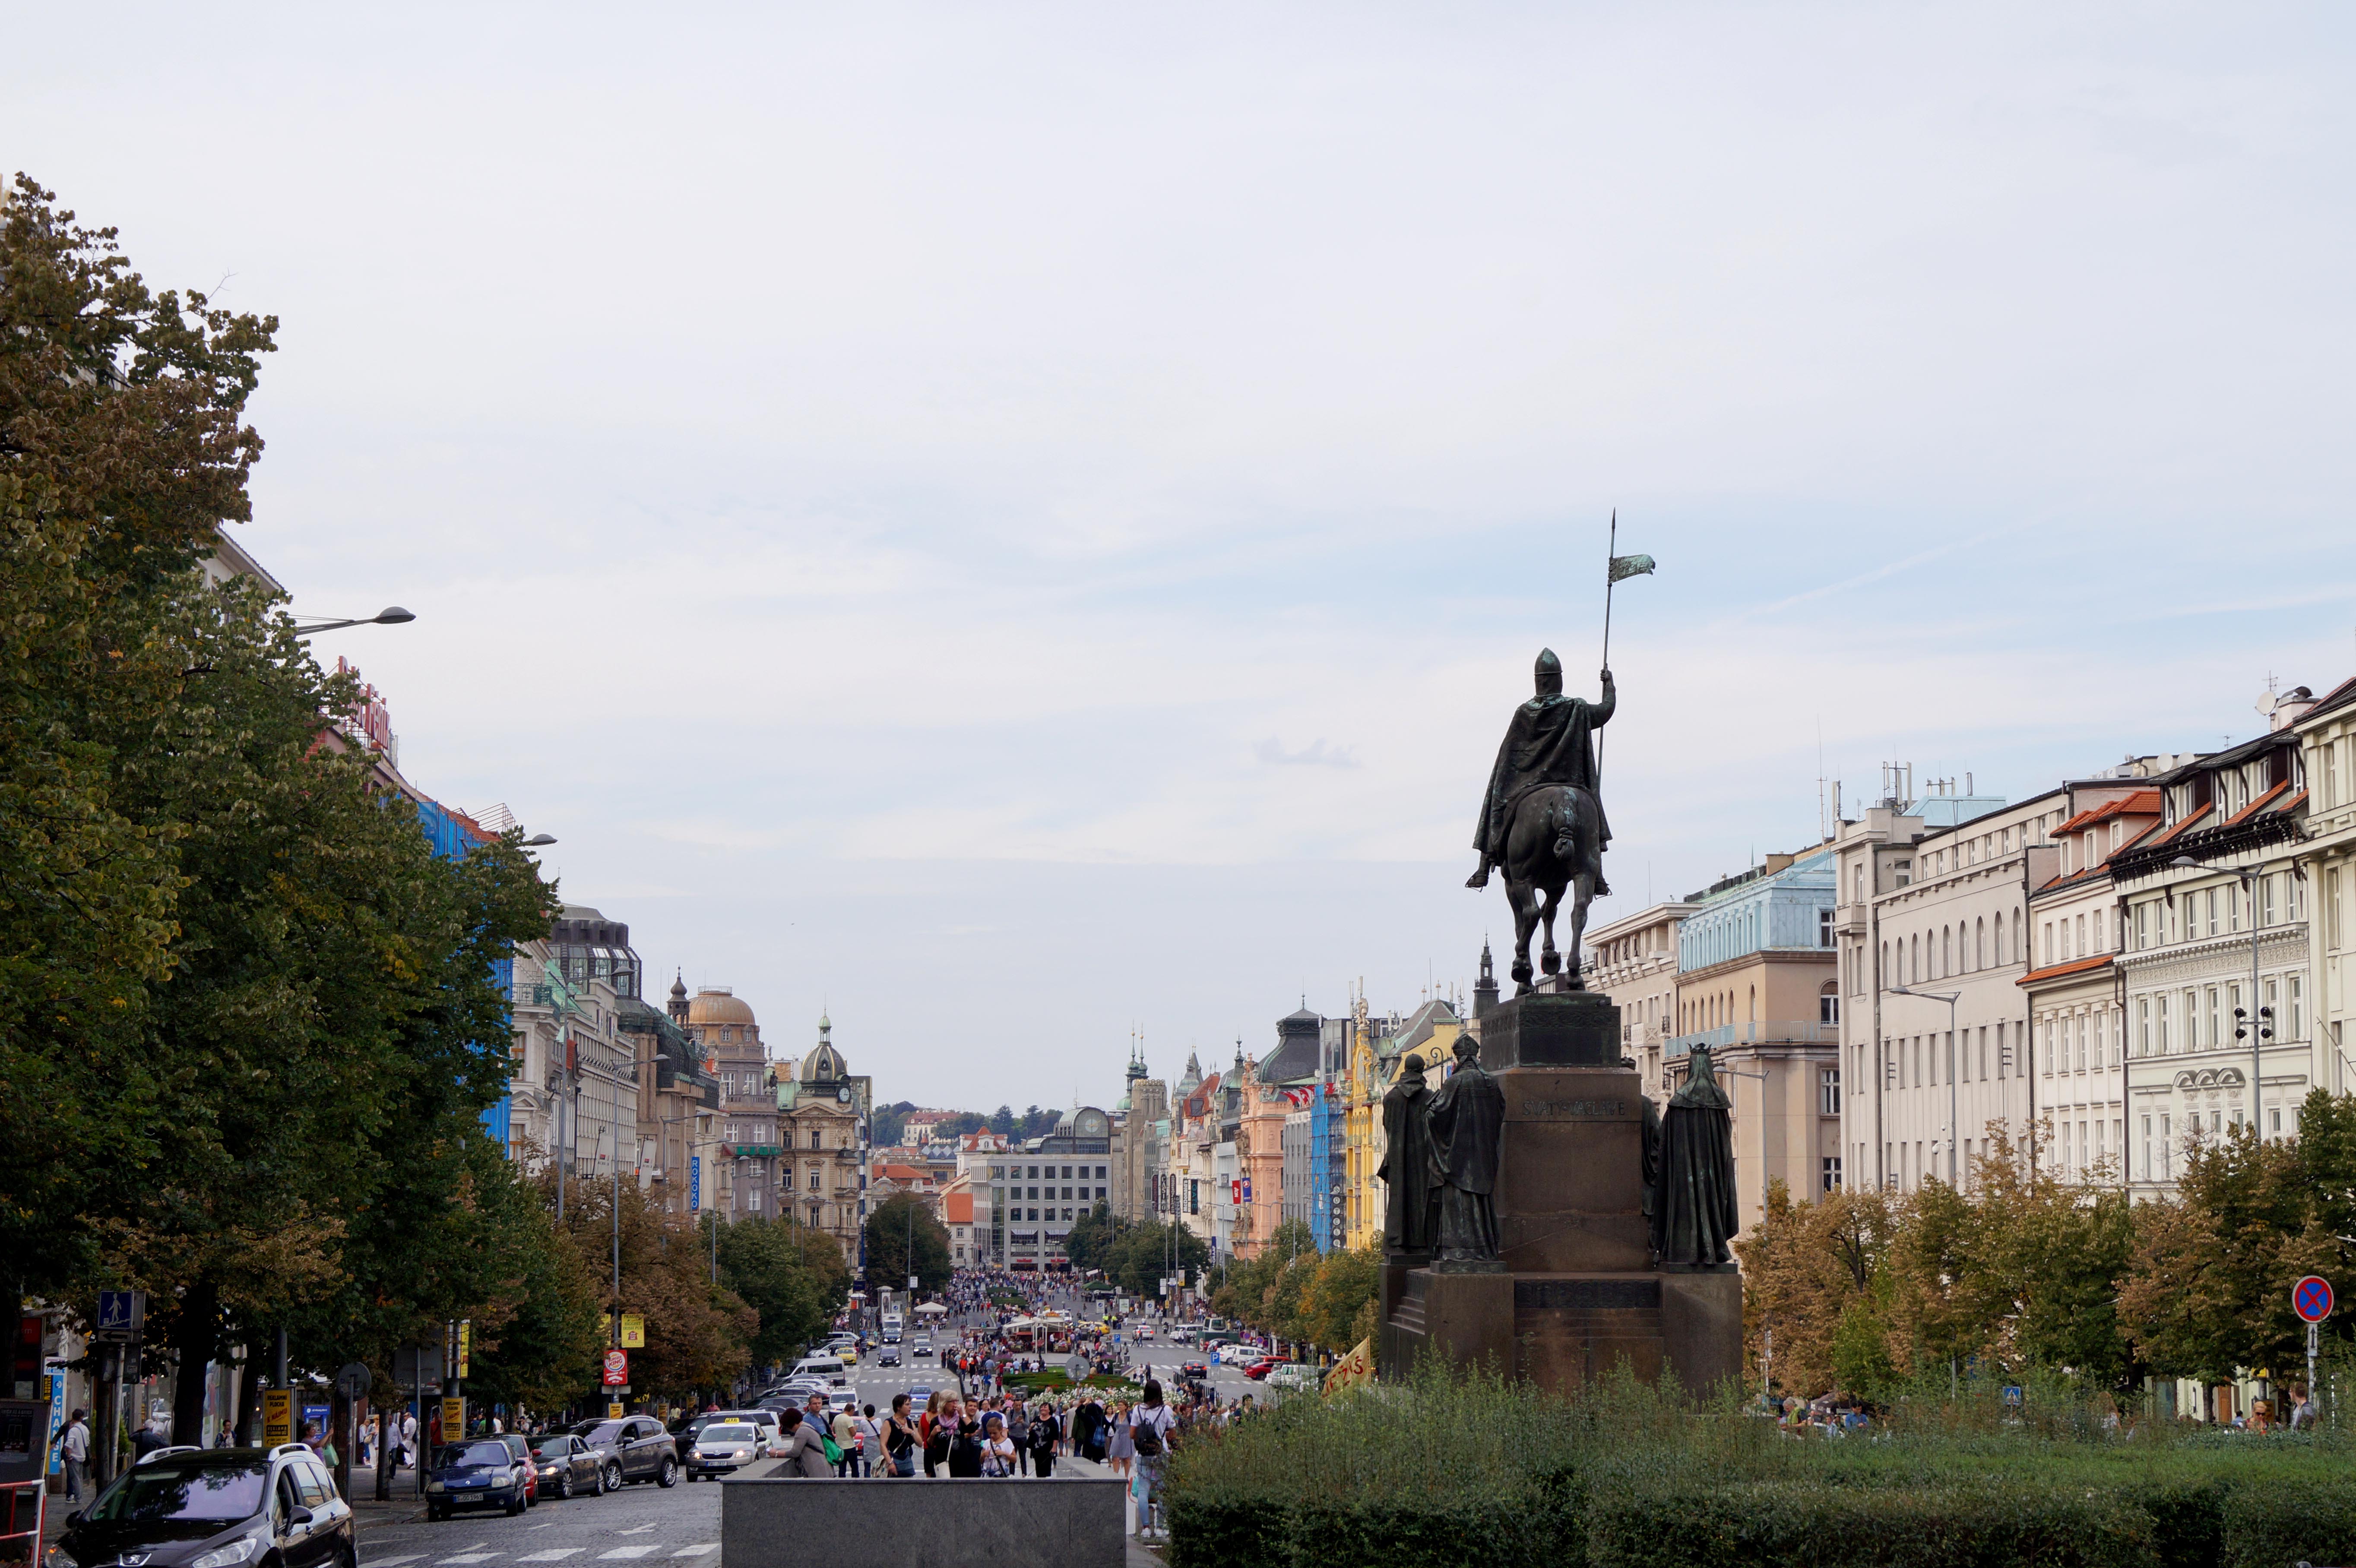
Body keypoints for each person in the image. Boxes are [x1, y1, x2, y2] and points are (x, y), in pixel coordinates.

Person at [1128, 1380, 1178, 1538]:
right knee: (1162, 1490)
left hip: (1143, 1455)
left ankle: (1146, 1528)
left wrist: (1144, 1439)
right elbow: (1173, 1434)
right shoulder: (1166, 1410)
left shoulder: (1138, 1410)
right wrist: (1162, 1436)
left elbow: (1132, 1434)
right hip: (1161, 1453)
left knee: (1143, 1491)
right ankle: (1161, 1527)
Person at [774, 1409, 832, 1478]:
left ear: (791, 1425)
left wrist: (776, 1453)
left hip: (817, 1471)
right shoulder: (808, 1426)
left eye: (788, 1428)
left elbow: (795, 1453)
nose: (789, 1430)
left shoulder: (802, 1431)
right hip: (823, 1468)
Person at [1026, 1400, 1061, 1479]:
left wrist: (1054, 1448)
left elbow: (1056, 1436)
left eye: (1045, 1407)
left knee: (1046, 1468)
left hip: (1047, 1449)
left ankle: (1046, 1483)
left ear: (1049, 1410)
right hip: (1037, 1448)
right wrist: (1031, 1427)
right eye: (1042, 1407)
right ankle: (1039, 1482)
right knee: (1038, 1467)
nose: (1043, 1409)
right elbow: (1030, 1431)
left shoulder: (1053, 1421)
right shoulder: (1037, 1419)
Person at [60, 1409, 89, 1502]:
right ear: (81, 1418)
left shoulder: (73, 1430)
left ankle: (77, 1498)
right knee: (80, 1478)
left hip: (74, 1457)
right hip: (82, 1456)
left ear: (73, 1418)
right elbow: (87, 1443)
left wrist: (69, 1456)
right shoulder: (85, 1429)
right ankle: (79, 1497)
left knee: (75, 1478)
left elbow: (69, 1445)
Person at [978, 1413, 1017, 1478]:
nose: (992, 1435)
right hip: (987, 1476)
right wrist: (983, 1455)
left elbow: (1014, 1460)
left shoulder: (1007, 1442)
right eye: (990, 1433)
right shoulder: (987, 1442)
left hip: (1001, 1476)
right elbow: (981, 1461)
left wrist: (1004, 1454)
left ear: (1001, 1430)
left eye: (995, 1433)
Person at [831, 1402, 860, 1478]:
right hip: (849, 1447)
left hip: (840, 1447)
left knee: (842, 1468)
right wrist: (855, 1429)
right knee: (854, 1467)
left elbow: (834, 1431)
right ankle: (856, 1482)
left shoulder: (837, 1418)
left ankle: (842, 1482)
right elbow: (853, 1433)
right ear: (852, 1410)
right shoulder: (848, 1419)